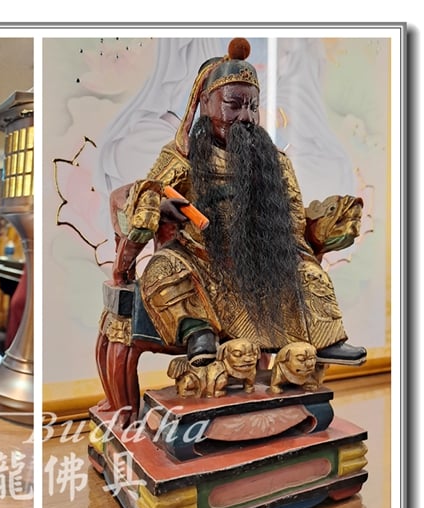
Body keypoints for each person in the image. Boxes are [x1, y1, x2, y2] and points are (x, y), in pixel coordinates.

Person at [111, 37, 366, 369]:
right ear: (206, 103)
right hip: (201, 260)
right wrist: (160, 208)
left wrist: (268, 227)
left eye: (252, 107)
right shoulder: (181, 157)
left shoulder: (276, 161)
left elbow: (293, 220)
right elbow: (147, 191)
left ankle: (328, 339)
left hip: (261, 263)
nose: (246, 116)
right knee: (163, 270)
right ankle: (198, 331)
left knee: (308, 273)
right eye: (233, 105)